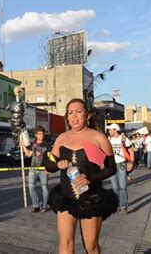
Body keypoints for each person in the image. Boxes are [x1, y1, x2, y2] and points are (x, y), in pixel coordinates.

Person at [44, 98, 118, 254]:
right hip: (66, 198)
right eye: (70, 113)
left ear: (88, 115)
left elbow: (111, 169)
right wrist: (57, 164)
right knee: (65, 243)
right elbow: (48, 165)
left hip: (91, 198)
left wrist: (90, 178)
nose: (74, 116)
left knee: (90, 246)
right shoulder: (61, 138)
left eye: (78, 112)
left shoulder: (99, 138)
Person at [21, 125, 52, 212]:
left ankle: (45, 206)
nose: (42, 135)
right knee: (31, 187)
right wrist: (23, 146)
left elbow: (50, 157)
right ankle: (36, 206)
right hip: (33, 169)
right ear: (36, 135)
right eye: (40, 134)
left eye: (42, 134)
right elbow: (29, 154)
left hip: (43, 170)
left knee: (44, 188)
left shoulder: (47, 145)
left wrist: (49, 168)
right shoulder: (33, 144)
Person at [106, 123, 134, 213]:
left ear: (115, 130)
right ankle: (116, 204)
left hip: (121, 164)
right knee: (114, 187)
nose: (109, 131)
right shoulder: (108, 140)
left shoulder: (124, 139)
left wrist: (131, 163)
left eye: (110, 130)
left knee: (122, 186)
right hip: (112, 165)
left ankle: (124, 205)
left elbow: (131, 151)